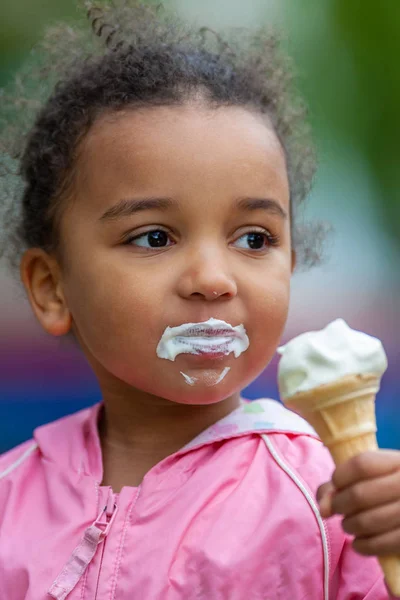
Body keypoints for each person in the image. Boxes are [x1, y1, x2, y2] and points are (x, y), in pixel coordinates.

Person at [0, 2, 399, 599]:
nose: (214, 279)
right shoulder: (10, 494)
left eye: (253, 239)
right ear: (53, 288)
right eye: (154, 237)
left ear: (291, 263)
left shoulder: (331, 501)